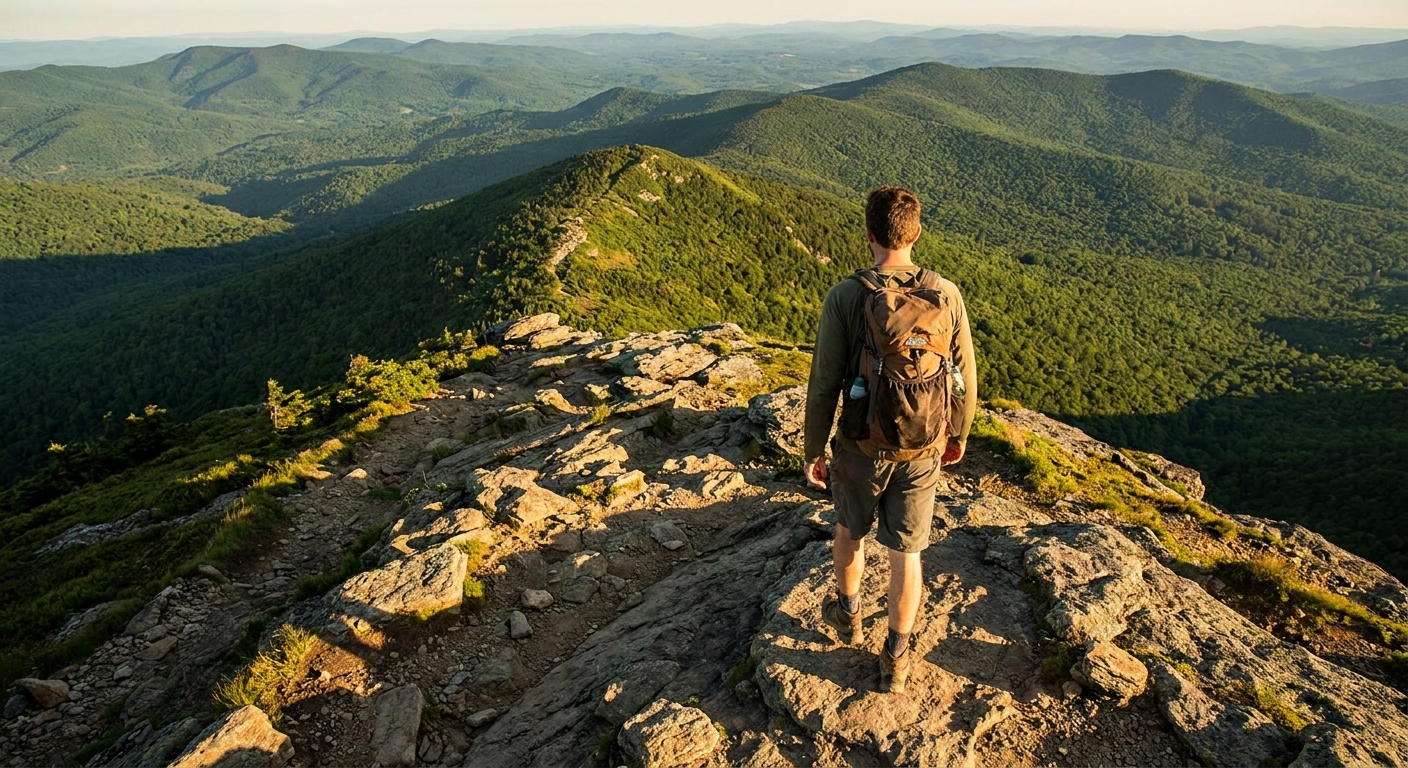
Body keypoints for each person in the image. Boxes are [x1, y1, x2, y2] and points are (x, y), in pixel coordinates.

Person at [801, 185, 977, 694]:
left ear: (868, 233)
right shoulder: (946, 293)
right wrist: (957, 433)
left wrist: (814, 450)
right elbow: (965, 374)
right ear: (916, 233)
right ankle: (897, 657)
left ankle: (849, 614)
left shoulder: (847, 295)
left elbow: (824, 382)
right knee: (908, 554)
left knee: (849, 530)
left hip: (859, 446)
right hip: (924, 446)